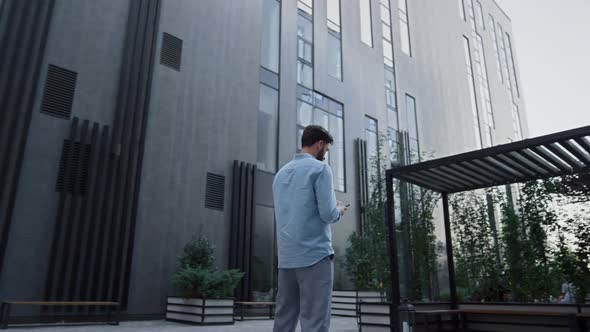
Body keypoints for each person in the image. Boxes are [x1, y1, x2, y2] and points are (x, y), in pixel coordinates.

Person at [272, 125, 348, 332]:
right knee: (314, 321)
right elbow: (328, 214)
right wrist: (339, 209)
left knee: (284, 319)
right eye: (327, 149)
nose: (326, 154)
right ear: (319, 144)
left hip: (287, 257)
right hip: (314, 255)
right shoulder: (320, 169)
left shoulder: (280, 174)